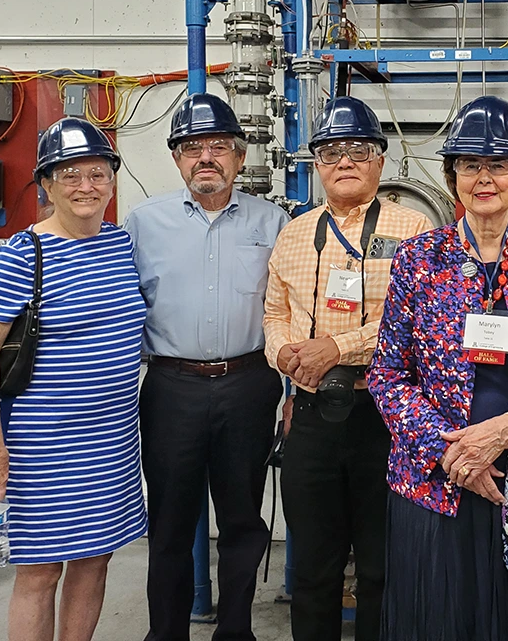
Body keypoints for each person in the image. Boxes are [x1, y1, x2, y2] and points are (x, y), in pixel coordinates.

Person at [368, 95, 508, 641]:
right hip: (436, 481)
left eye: (498, 164)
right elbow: (388, 376)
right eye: (470, 165)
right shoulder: (419, 258)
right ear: (453, 176)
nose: (484, 177)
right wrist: (454, 453)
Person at [0, 117, 147, 641]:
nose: (86, 186)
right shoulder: (25, 253)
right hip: (43, 445)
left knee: (94, 562)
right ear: (46, 185)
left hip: (111, 441)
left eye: (97, 173)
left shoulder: (121, 246)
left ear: (112, 180)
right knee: (40, 571)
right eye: (69, 175)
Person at [263, 96, 432, 641]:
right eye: (332, 151)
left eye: (359, 150)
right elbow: (274, 313)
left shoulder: (415, 231)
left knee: (383, 566)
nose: (345, 161)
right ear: (317, 164)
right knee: (313, 567)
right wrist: (286, 354)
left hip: (387, 416)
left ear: (380, 161)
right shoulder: (294, 232)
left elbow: (420, 324)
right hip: (312, 412)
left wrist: (337, 348)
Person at [124, 93, 289, 641]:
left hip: (249, 385)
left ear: (241, 158)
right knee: (169, 522)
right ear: (176, 159)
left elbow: (292, 308)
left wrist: (290, 389)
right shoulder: (142, 224)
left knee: (242, 519)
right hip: (171, 389)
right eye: (192, 147)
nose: (206, 158)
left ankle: (236, 631)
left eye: (219, 147)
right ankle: (165, 632)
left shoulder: (276, 222)